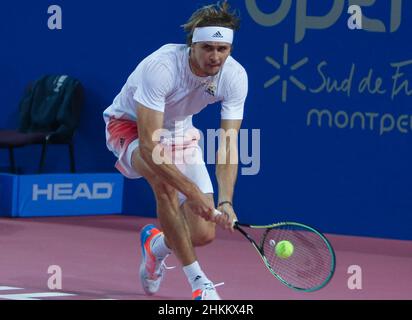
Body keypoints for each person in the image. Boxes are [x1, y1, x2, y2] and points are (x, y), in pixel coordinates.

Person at [103, 1, 248, 300]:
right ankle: (200, 284)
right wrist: (192, 191)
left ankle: (155, 247)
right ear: (192, 45)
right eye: (208, 47)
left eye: (222, 49)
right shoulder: (163, 67)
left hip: (180, 130)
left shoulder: (235, 77)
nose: (215, 56)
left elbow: (229, 144)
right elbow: (150, 145)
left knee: (202, 234)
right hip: (129, 127)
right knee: (165, 183)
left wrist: (226, 201)